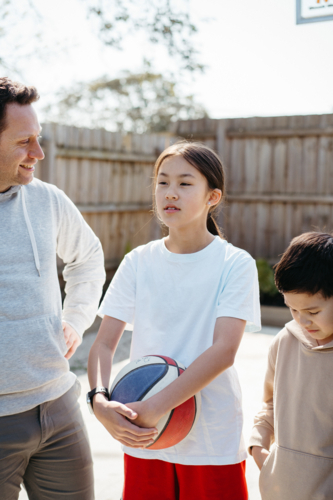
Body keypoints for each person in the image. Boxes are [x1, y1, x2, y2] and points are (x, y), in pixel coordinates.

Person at [87, 142, 261, 500]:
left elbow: (224, 350)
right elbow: (104, 344)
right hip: (144, 435)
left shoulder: (234, 263)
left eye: (185, 183)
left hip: (210, 436)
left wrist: (156, 405)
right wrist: (99, 401)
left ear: (213, 196)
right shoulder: (138, 261)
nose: (170, 193)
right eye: (162, 182)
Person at [0, 77, 105, 499]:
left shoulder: (48, 201)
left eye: (38, 139)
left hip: (58, 406)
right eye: (25, 141)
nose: (38, 154)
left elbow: (88, 258)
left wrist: (76, 320)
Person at [248, 232, 333, 500]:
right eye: (292, 309)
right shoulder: (284, 341)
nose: (301, 321)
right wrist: (258, 446)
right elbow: (270, 403)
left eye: (312, 312)